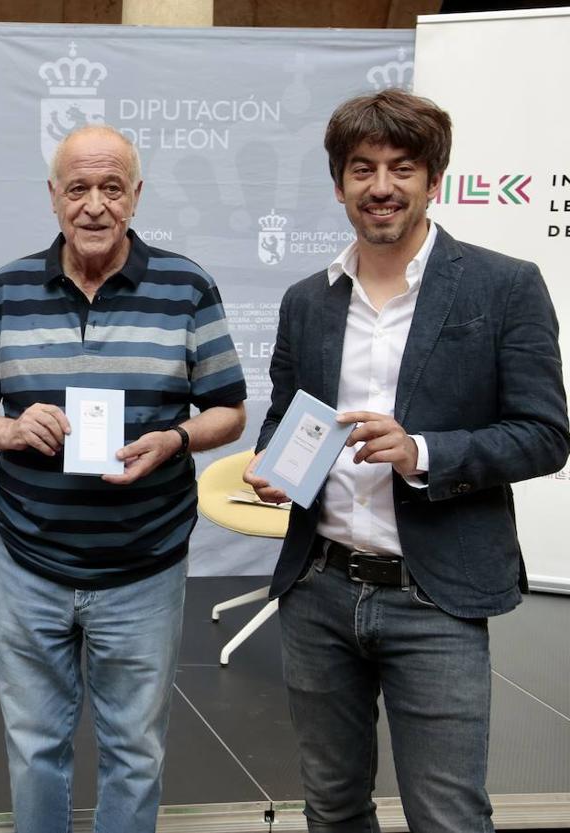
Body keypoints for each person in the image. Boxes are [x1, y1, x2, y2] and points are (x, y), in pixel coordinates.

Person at [243, 89, 569, 832]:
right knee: (330, 807)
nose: (381, 186)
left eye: (401, 168)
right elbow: (287, 417)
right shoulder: (307, 301)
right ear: (339, 183)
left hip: (438, 596)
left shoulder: (504, 286)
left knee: (448, 814)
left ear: (434, 180)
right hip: (319, 588)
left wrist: (421, 449)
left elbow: (545, 434)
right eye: (363, 169)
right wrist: (272, 465)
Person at [0, 124, 246, 832]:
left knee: (136, 751)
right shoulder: (8, 288)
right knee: (33, 746)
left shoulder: (187, 286)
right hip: (29, 558)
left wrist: (175, 438)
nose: (93, 204)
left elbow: (229, 411)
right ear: (53, 197)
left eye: (111, 187)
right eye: (78, 187)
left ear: (135, 196)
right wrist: (9, 429)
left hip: (145, 561)